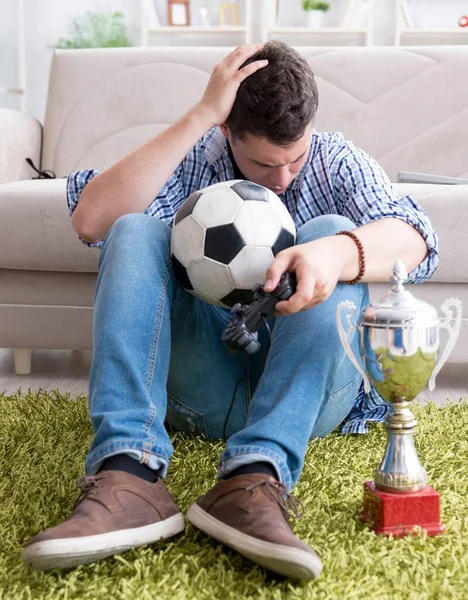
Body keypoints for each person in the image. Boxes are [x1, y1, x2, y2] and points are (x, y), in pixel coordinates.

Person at [22, 41, 438, 580]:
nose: (284, 178)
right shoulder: (201, 151)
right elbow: (90, 222)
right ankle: (129, 474)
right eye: (265, 163)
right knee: (133, 229)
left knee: (332, 232)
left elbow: (419, 239)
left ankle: (257, 476)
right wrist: (200, 114)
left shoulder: (336, 158)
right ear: (228, 134)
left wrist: (331, 254)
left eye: (295, 158)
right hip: (203, 386)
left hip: (308, 399)